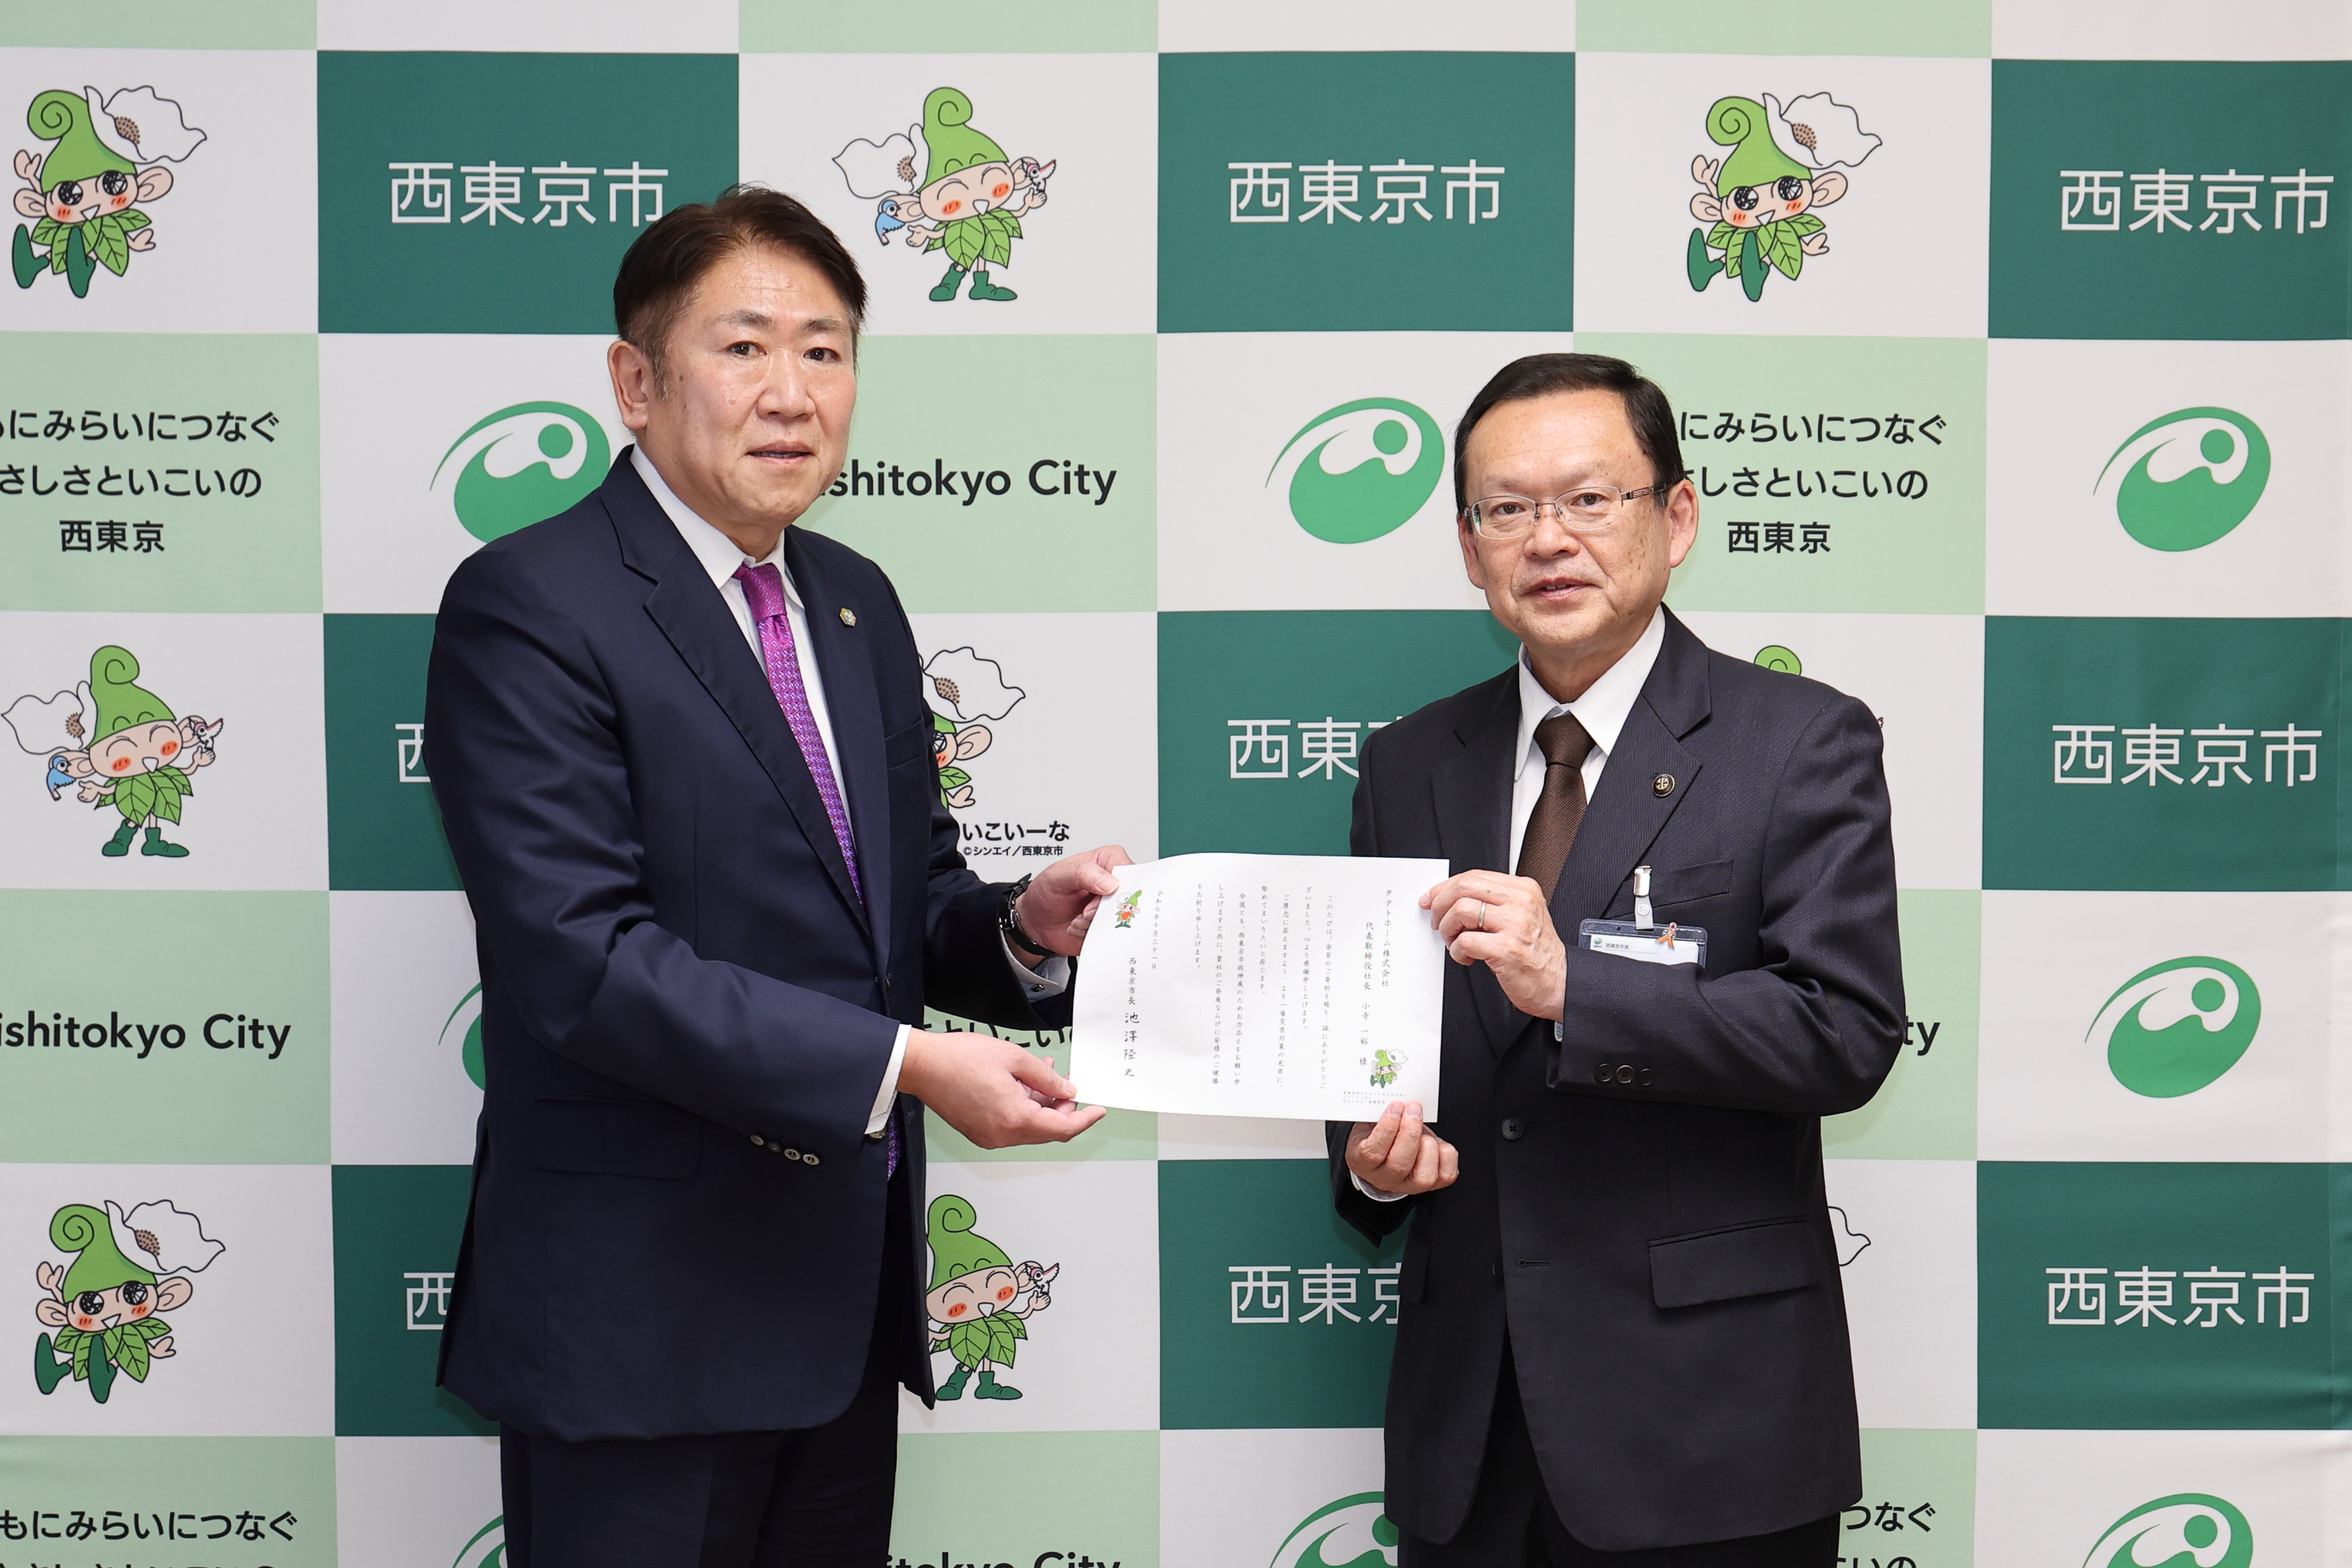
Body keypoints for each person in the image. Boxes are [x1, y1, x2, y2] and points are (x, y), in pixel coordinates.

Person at [424, 184, 1121, 1568]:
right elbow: (582, 959)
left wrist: (1023, 931)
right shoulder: (532, 602)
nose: (791, 392)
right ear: (634, 382)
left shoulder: (854, 601)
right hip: (639, 1326)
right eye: (742, 347)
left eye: (824, 349)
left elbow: (901, 909)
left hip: (837, 1306)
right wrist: (912, 1065)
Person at [1327, 354, 1903, 1567]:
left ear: (1676, 517)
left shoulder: (1801, 741)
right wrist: (1373, 1170)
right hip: (1467, 1427)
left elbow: (1844, 1030)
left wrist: (1577, 986)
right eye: (1507, 508)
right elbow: (1369, 1046)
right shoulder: (1408, 762)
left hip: (1708, 1425)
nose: (1549, 539)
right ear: (1469, 547)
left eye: (1591, 499)